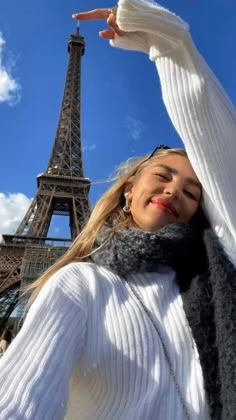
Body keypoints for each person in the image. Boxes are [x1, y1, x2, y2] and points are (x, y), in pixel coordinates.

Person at [0, 0, 236, 419]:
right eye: (162, 175)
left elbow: (225, 158)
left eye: (193, 190)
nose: (174, 190)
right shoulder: (81, 285)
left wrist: (173, 43)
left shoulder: (215, 278)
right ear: (129, 189)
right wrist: (169, 44)